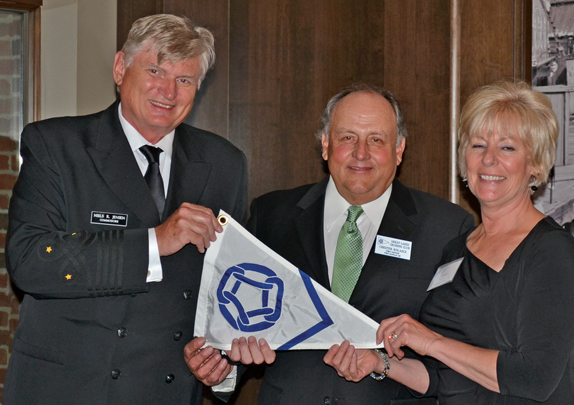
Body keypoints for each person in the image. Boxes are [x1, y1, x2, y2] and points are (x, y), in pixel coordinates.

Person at [4, 14, 268, 405]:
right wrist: (154, 242)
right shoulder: (57, 146)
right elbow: (29, 261)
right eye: (155, 71)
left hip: (168, 390)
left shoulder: (224, 163)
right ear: (119, 68)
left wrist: (226, 362)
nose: (168, 91)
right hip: (65, 389)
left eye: (184, 79)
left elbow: (233, 285)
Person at [184, 83, 474, 404]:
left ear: (399, 149)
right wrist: (224, 370)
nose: (361, 152)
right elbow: (240, 328)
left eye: (376, 140)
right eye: (347, 137)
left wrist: (385, 364)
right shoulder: (271, 216)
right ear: (325, 145)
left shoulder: (446, 227)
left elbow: (455, 354)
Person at [325, 81, 574, 404]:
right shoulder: (456, 248)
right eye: (478, 146)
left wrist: (431, 342)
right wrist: (381, 363)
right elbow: (442, 377)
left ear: (535, 163)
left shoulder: (552, 251)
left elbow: (535, 377)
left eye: (507, 148)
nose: (489, 160)